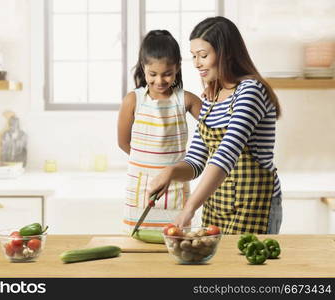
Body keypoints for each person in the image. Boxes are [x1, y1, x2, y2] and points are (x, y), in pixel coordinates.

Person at [146, 17, 283, 234]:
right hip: (216, 205)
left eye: (203, 55)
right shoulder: (212, 96)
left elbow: (227, 151)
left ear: (226, 53)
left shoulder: (250, 91)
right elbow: (196, 160)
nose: (197, 63)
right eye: (193, 56)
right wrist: (171, 172)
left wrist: (190, 207)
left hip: (254, 205)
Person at [117, 29, 202, 233]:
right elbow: (123, 142)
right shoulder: (132, 100)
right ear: (143, 68)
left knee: (175, 239)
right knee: (138, 242)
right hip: (140, 189)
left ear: (178, 68)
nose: (160, 81)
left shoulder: (186, 100)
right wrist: (147, 163)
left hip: (175, 189)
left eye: (167, 74)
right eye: (152, 74)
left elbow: (215, 128)